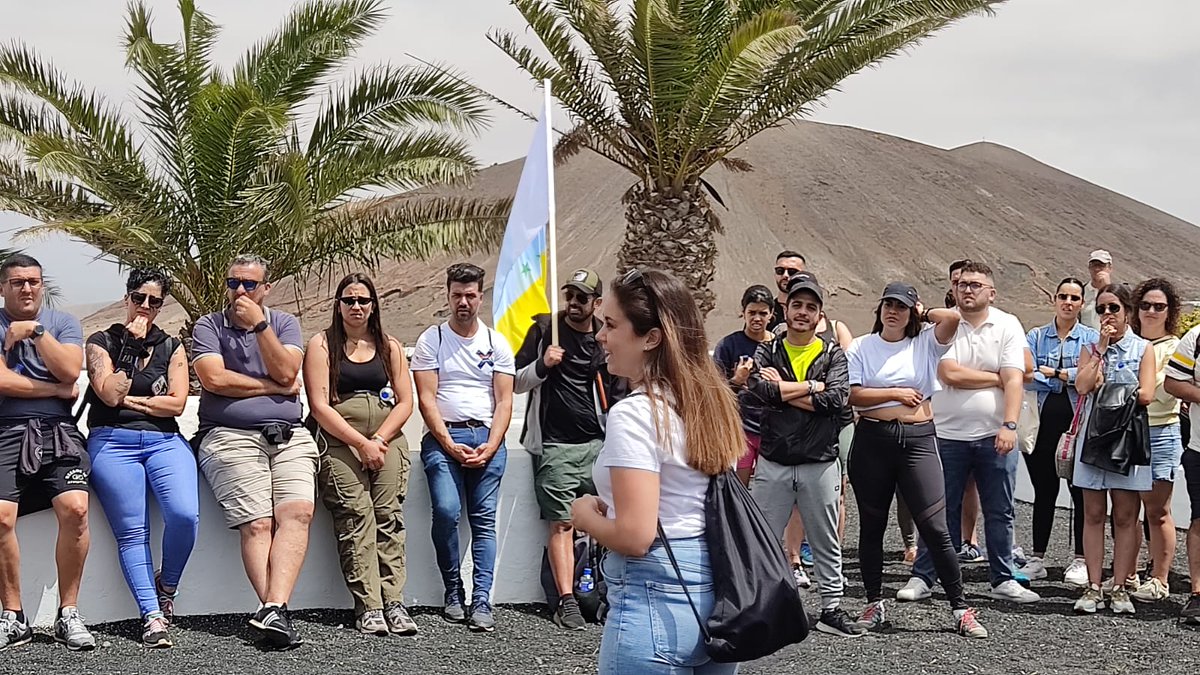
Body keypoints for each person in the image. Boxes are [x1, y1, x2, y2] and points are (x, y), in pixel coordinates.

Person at [569, 267, 742, 675]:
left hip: (654, 597)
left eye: (611, 324)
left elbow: (635, 535)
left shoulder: (635, 414)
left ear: (651, 337)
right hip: (714, 591)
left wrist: (585, 517)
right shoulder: (708, 403)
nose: (600, 335)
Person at [847, 282, 986, 638]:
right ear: (878, 309)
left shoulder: (924, 342)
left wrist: (923, 313)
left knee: (936, 528)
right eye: (888, 304)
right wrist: (894, 393)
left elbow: (953, 317)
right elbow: (853, 395)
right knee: (872, 527)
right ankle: (874, 602)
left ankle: (960, 607)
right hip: (873, 441)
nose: (893, 311)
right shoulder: (862, 346)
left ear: (912, 313)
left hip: (917, 440)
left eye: (902, 306)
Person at [191, 254, 315, 648]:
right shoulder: (209, 325)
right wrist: (273, 389)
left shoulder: (283, 324)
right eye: (233, 283)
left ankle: (273, 610)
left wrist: (259, 325)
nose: (240, 291)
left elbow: (288, 371)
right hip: (229, 435)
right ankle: (275, 611)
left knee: (298, 512)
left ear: (266, 288)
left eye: (248, 284)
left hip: (289, 434)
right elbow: (213, 379)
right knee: (258, 523)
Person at [899, 261, 1040, 604]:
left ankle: (1002, 577)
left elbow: (1016, 376)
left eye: (976, 284)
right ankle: (924, 575)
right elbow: (948, 373)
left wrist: (1009, 424)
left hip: (994, 434)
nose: (967, 289)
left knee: (1000, 508)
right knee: (938, 510)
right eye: (962, 283)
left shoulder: (1007, 324)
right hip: (946, 433)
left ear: (991, 292)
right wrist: (999, 377)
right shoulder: (945, 325)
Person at [84, 269, 198, 648]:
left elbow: (177, 404)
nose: (145, 307)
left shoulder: (171, 346)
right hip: (112, 441)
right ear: (127, 298)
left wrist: (136, 401)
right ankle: (152, 616)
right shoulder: (102, 341)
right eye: (139, 298)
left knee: (184, 514)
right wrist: (130, 348)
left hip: (164, 441)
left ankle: (168, 585)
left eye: (154, 301)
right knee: (133, 532)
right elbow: (108, 393)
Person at [747, 272, 864, 638]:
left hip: (819, 462)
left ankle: (831, 609)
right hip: (774, 461)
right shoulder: (769, 348)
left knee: (825, 540)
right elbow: (756, 390)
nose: (802, 312)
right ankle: (760, 609)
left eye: (810, 307)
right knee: (764, 538)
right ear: (786, 309)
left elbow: (835, 401)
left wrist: (782, 389)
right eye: (797, 305)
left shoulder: (832, 354)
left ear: (819, 315)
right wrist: (811, 386)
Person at [304, 273, 418, 636]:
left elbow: (406, 401)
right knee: (355, 516)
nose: (356, 307)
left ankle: (394, 601)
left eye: (363, 300)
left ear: (373, 306)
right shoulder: (322, 345)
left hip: (387, 441)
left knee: (388, 516)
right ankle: (368, 605)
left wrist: (380, 439)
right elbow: (320, 405)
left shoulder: (390, 346)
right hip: (341, 442)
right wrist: (359, 442)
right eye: (349, 300)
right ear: (338, 305)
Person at [411, 263, 515, 633]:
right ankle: (453, 589)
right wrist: (449, 443)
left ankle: (482, 599)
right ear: (448, 295)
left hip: (487, 438)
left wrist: (491, 444)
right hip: (444, 440)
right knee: (446, 510)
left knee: (484, 521)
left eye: (470, 295)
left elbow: (504, 401)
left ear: (480, 297)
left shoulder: (496, 343)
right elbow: (426, 398)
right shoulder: (432, 340)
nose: (463, 302)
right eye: (457, 295)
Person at [514, 268, 619, 630]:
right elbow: (514, 380)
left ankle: (605, 594)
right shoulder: (545, 330)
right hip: (555, 447)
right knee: (561, 523)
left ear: (597, 303)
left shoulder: (605, 337)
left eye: (582, 298)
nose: (573, 304)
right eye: (569, 296)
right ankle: (566, 599)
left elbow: (620, 385)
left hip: (597, 444)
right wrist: (543, 365)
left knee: (605, 521)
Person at [0, 254, 94, 651]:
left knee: (76, 509)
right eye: (18, 282)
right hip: (5, 431)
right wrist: (54, 390)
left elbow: (71, 370)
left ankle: (68, 613)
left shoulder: (62, 322)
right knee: (0, 518)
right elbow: (2, 382)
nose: (27, 288)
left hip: (59, 432)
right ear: (2, 286)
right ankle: (13, 616)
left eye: (34, 281)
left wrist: (36, 333)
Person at [1071, 284, 1155, 615]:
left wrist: (1111, 386)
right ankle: (1094, 585)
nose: (1107, 315)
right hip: (1094, 438)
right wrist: (1101, 352)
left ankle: (1120, 586)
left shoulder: (1143, 348)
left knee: (1125, 515)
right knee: (1092, 514)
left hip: (1126, 439)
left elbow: (1147, 393)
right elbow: (1081, 385)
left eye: (1114, 309)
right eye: (1102, 309)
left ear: (1128, 312)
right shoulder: (1090, 347)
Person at [1022, 278, 1098, 587]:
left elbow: (1090, 377)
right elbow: (1026, 373)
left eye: (1074, 297)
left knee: (1080, 491)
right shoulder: (1036, 336)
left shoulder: (1091, 338)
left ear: (1082, 303)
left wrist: (1052, 372)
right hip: (1042, 425)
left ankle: (1080, 559)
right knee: (1045, 490)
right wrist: (1065, 377)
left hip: (1079, 425)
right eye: (1063, 296)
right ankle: (1037, 557)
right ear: (1054, 300)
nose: (1068, 302)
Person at [1129, 278, 1183, 603]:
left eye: (1158, 306)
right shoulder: (1130, 343)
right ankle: (1128, 573)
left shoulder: (1174, 347)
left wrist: (1133, 387)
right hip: (1126, 432)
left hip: (1161, 431)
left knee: (1157, 509)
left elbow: (1161, 394)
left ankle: (1160, 578)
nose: (1151, 311)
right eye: (1145, 305)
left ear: (1169, 311)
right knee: (1124, 509)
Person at [712, 285, 775, 487]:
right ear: (743, 312)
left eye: (762, 313)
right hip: (741, 430)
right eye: (752, 312)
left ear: (771, 315)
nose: (757, 318)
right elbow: (714, 393)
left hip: (773, 430)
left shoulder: (779, 346)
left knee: (770, 492)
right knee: (738, 488)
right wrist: (737, 380)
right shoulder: (728, 345)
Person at [1164, 323, 1200, 622]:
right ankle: (1198, 594)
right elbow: (1173, 381)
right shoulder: (1197, 336)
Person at [1079, 250, 1113, 330]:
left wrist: (1107, 289)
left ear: (1110, 268)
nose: (1097, 269)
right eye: (1094, 265)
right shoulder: (1081, 292)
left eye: (1101, 266)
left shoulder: (1119, 295)